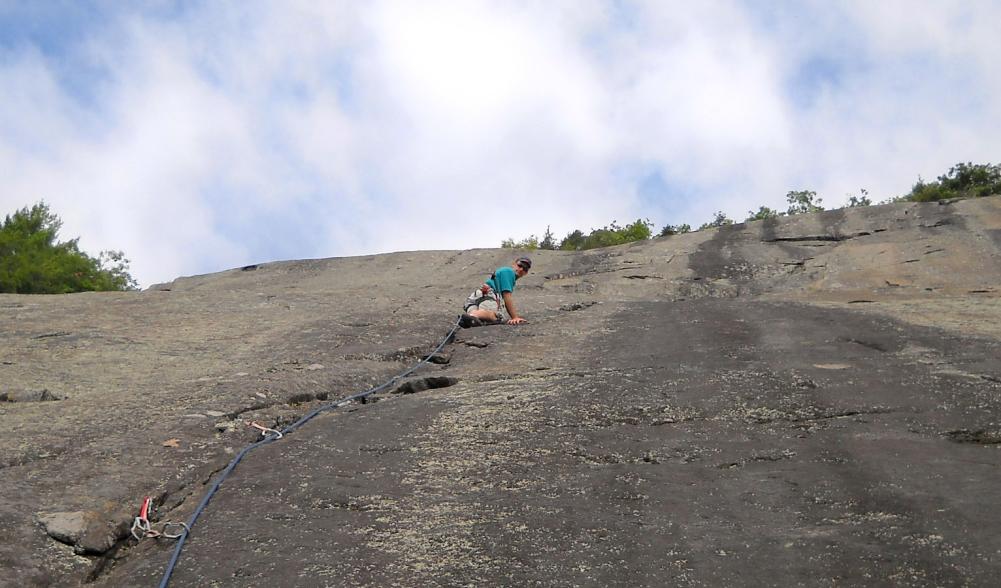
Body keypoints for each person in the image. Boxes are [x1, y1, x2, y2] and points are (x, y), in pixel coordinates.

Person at [460, 256, 532, 327]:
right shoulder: (509, 272)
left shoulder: (504, 272)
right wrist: (515, 317)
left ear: (526, 273)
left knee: (477, 320)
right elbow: (507, 295)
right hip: (489, 295)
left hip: (475, 297)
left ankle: (470, 316)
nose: (521, 269)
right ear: (514, 264)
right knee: (496, 317)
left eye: (525, 269)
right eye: (520, 265)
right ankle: (472, 315)